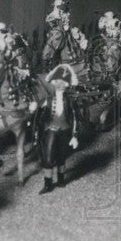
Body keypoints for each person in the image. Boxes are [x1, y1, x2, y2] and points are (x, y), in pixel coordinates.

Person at [38, 64, 80, 194]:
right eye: (58, 81)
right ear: (54, 82)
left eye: (63, 81)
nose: (60, 84)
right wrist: (37, 110)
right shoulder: (48, 100)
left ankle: (61, 180)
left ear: (67, 84)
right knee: (48, 158)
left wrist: (74, 135)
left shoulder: (70, 101)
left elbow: (74, 119)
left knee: (62, 156)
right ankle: (48, 184)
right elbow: (40, 118)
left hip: (65, 130)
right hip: (50, 130)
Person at [42, 0, 88, 74]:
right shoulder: (57, 30)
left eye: (66, 11)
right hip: (65, 63)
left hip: (77, 62)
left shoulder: (70, 28)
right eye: (63, 12)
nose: (67, 14)